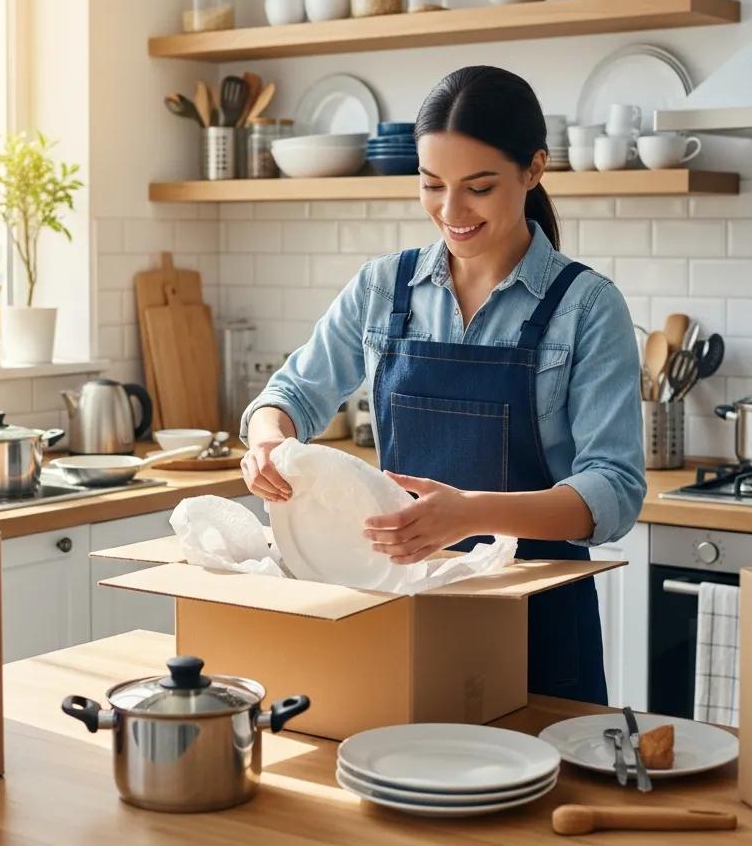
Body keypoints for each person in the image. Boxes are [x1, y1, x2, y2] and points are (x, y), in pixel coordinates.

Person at [239, 65, 645, 704]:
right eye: (432, 185)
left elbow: (613, 491)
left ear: (534, 169)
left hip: (538, 623)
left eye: (478, 188)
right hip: (402, 604)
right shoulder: (383, 288)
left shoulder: (587, 308)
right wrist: (267, 441)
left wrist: (472, 513)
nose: (450, 212)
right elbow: (288, 396)